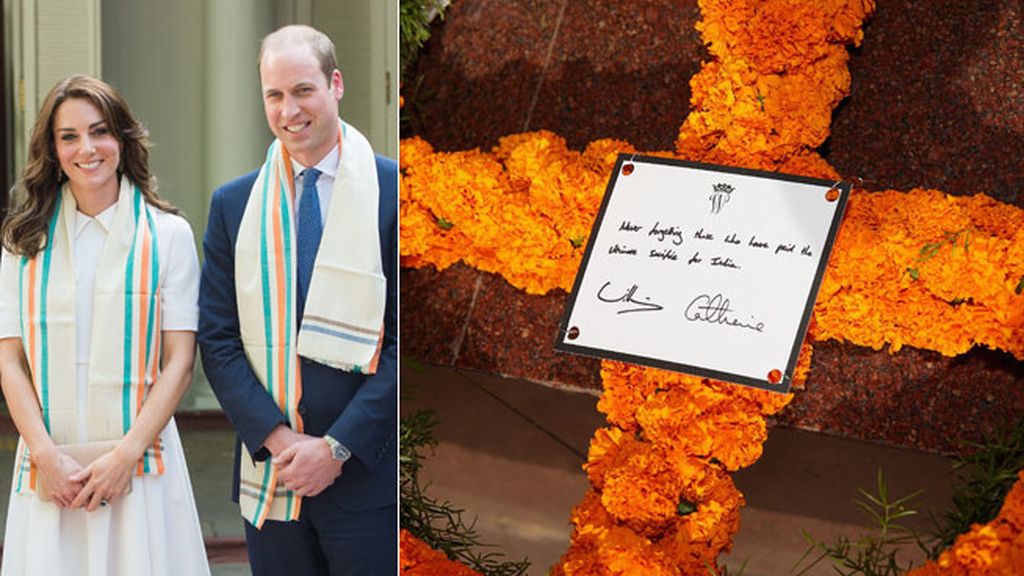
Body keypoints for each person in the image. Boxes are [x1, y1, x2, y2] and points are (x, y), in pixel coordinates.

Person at [198, 25, 397, 575]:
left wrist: (336, 448)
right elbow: (217, 338)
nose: (290, 110)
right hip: (274, 475)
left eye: (303, 90)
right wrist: (278, 439)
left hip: (366, 477)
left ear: (335, 85)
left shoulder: (393, 193)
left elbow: (407, 342)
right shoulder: (233, 205)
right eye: (274, 95)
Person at [0, 75, 209, 575]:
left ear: (123, 138)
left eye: (99, 131)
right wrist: (46, 456)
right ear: (52, 150)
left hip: (141, 459)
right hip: (52, 464)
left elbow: (179, 361)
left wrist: (125, 456)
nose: (86, 148)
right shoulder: (24, 242)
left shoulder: (168, 234)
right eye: (68, 136)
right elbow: (9, 359)